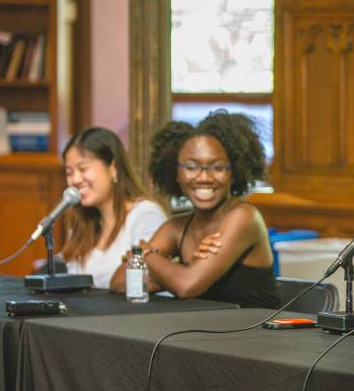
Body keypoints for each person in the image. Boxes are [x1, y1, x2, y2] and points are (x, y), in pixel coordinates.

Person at [110, 110, 279, 308]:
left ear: (234, 173)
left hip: (254, 334)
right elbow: (121, 281)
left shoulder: (244, 217)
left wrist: (146, 254)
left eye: (217, 167)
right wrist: (180, 269)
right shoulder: (176, 227)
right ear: (176, 174)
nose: (204, 178)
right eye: (191, 167)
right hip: (200, 333)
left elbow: (187, 285)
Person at [61, 127, 166, 288]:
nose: (75, 180)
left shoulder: (145, 214)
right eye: (69, 172)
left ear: (113, 167)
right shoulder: (81, 220)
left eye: (83, 169)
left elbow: (146, 277)